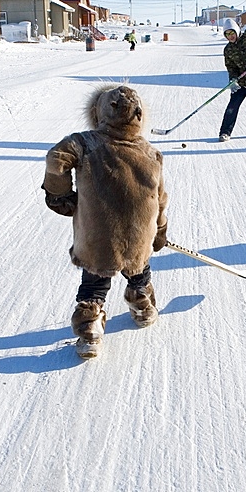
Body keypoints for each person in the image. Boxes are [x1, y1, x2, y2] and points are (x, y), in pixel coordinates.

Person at [42, 84, 169, 358]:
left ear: (99, 113)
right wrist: (159, 230)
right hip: (138, 234)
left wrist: (60, 195)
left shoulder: (84, 143)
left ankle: (90, 327)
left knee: (95, 280)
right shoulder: (150, 153)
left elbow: (56, 158)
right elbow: (159, 198)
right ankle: (142, 304)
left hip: (98, 235)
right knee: (139, 271)